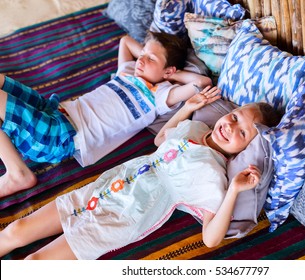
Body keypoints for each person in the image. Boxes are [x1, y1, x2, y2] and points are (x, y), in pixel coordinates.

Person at [0, 86, 281, 260]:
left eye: (241, 132)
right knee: (16, 229)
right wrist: (187, 109)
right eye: (233, 116)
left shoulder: (213, 174)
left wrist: (233, 190)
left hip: (124, 216)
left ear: (245, 147)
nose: (230, 126)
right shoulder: (197, 129)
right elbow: (160, 142)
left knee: (34, 264)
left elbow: (210, 238)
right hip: (103, 188)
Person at [0, 31, 212, 198]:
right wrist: (149, 56)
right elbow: (126, 41)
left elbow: (201, 83)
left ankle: (17, 173)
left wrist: (170, 75)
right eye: (142, 55)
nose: (141, 60)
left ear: (168, 71)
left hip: (60, 137)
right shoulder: (128, 72)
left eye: (150, 59)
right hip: (52, 110)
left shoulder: (160, 96)